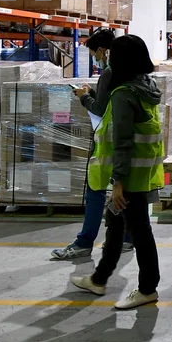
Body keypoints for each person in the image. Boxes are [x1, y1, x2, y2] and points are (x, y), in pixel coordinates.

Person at [70, 35, 165, 310]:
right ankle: (99, 279)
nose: (107, 57)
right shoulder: (147, 85)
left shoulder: (124, 94)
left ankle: (148, 288)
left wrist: (118, 183)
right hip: (139, 172)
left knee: (140, 232)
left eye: (112, 54)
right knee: (115, 224)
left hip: (129, 177)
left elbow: (123, 141)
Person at [51, 29, 134, 260]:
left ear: (102, 50)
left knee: (95, 191)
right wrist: (94, 93)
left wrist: (83, 97)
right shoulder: (130, 72)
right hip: (126, 141)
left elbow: (100, 109)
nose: (95, 58)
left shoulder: (109, 72)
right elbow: (111, 100)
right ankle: (127, 239)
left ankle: (84, 242)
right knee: (123, 191)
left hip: (109, 141)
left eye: (94, 54)